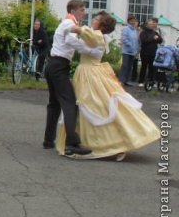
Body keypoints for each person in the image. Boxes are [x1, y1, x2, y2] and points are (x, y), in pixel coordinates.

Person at [56, 12, 160, 160]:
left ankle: (116, 144)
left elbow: (80, 33)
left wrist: (66, 27)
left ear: (103, 25)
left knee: (96, 107)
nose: (94, 20)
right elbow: (78, 43)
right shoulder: (96, 35)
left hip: (90, 74)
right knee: (86, 107)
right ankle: (81, 142)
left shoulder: (97, 35)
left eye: (97, 19)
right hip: (86, 73)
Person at [43, 0, 103, 156]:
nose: (84, 12)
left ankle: (48, 140)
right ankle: (72, 143)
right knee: (70, 103)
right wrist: (90, 51)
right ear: (73, 11)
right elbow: (70, 39)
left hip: (53, 65)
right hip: (58, 66)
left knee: (54, 104)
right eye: (82, 9)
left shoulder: (67, 22)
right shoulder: (69, 23)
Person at [138, 17, 163, 86]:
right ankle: (141, 81)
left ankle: (151, 81)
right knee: (144, 67)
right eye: (151, 24)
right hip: (145, 52)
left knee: (152, 68)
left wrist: (158, 38)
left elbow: (160, 40)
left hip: (153, 52)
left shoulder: (155, 32)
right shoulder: (143, 32)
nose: (153, 25)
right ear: (147, 25)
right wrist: (153, 38)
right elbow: (143, 41)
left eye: (154, 24)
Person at [118, 15, 139, 86]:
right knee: (125, 66)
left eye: (134, 21)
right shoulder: (126, 29)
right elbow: (124, 39)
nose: (133, 22)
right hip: (126, 51)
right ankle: (121, 80)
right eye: (131, 21)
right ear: (129, 21)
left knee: (130, 66)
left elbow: (136, 41)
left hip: (133, 52)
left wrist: (136, 49)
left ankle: (126, 80)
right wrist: (130, 45)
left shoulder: (135, 30)